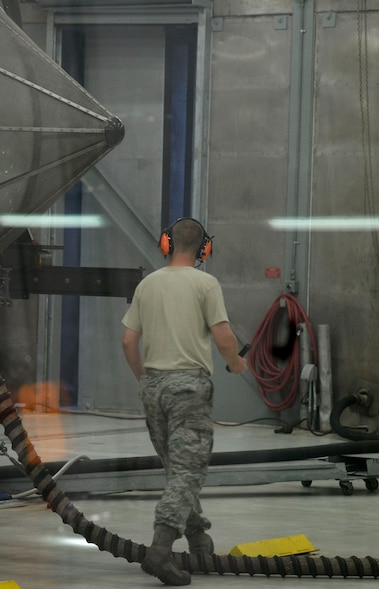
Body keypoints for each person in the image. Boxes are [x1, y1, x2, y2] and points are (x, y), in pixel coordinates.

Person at [121, 217, 246, 586]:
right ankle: (159, 553)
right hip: (189, 388)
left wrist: (146, 381)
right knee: (188, 471)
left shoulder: (148, 284)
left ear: (167, 244)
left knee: (177, 470)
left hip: (153, 387)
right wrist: (235, 361)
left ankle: (198, 539)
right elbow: (223, 335)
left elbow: (128, 341)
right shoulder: (206, 283)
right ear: (205, 248)